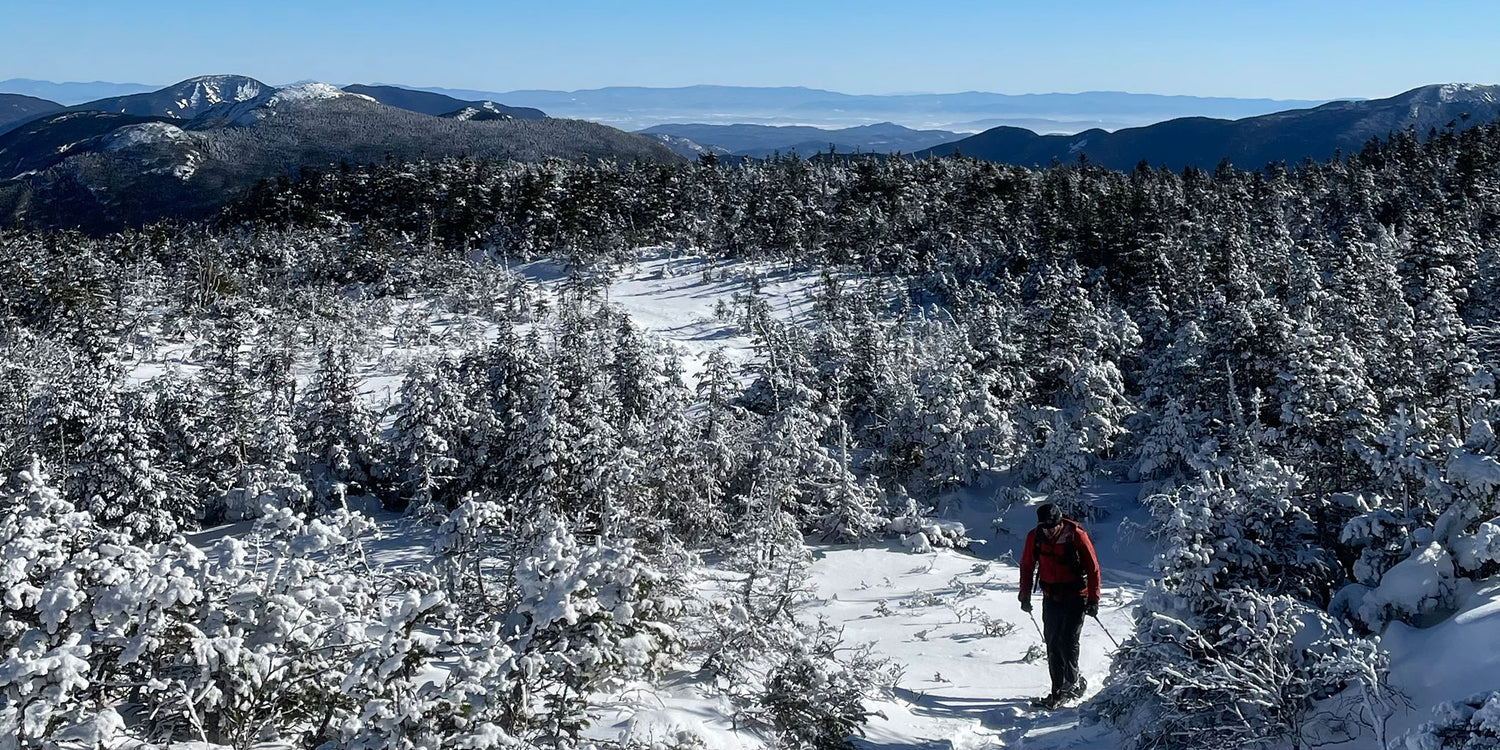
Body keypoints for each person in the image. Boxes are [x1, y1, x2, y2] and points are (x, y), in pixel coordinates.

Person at [1018, 502, 1101, 708]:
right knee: (1053, 643)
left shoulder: (1076, 535)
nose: (1049, 530)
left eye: (1052, 526)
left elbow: (1093, 568)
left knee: (1068, 642)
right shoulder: (1035, 537)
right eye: (1045, 527)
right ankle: (1057, 690)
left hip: (1076, 596)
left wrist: (1093, 599)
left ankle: (1071, 683)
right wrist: (1025, 595)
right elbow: (1027, 566)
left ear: (1059, 522)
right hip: (1051, 597)